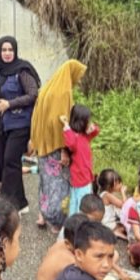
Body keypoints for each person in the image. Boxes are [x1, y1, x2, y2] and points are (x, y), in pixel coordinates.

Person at [30, 59, 86, 230]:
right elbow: (61, 122)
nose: (79, 79)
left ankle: (42, 214)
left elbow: (37, 117)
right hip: (55, 146)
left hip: (43, 143)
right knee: (58, 184)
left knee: (45, 181)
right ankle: (56, 222)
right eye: (79, 75)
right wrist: (64, 150)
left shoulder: (47, 89)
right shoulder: (63, 93)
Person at [0, 36, 40, 213]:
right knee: (8, 162)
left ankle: (7, 202)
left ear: (15, 51)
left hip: (20, 123)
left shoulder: (22, 70)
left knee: (10, 160)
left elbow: (33, 94)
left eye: (10, 50)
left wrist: (10, 104)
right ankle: (21, 203)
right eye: (4, 50)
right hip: (3, 125)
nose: (7, 53)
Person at [62, 104, 99, 216]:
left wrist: (92, 127)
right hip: (80, 177)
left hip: (85, 177)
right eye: (87, 120)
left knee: (76, 202)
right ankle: (76, 225)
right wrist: (66, 127)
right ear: (81, 122)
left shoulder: (84, 136)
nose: (89, 122)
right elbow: (71, 144)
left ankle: (72, 224)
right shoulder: (74, 137)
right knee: (80, 204)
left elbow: (96, 131)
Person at [96, 168, 127, 239]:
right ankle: (114, 232)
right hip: (108, 224)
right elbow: (125, 206)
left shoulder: (102, 193)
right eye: (119, 183)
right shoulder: (107, 196)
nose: (121, 184)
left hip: (105, 223)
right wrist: (123, 192)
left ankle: (116, 231)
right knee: (127, 225)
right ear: (114, 184)